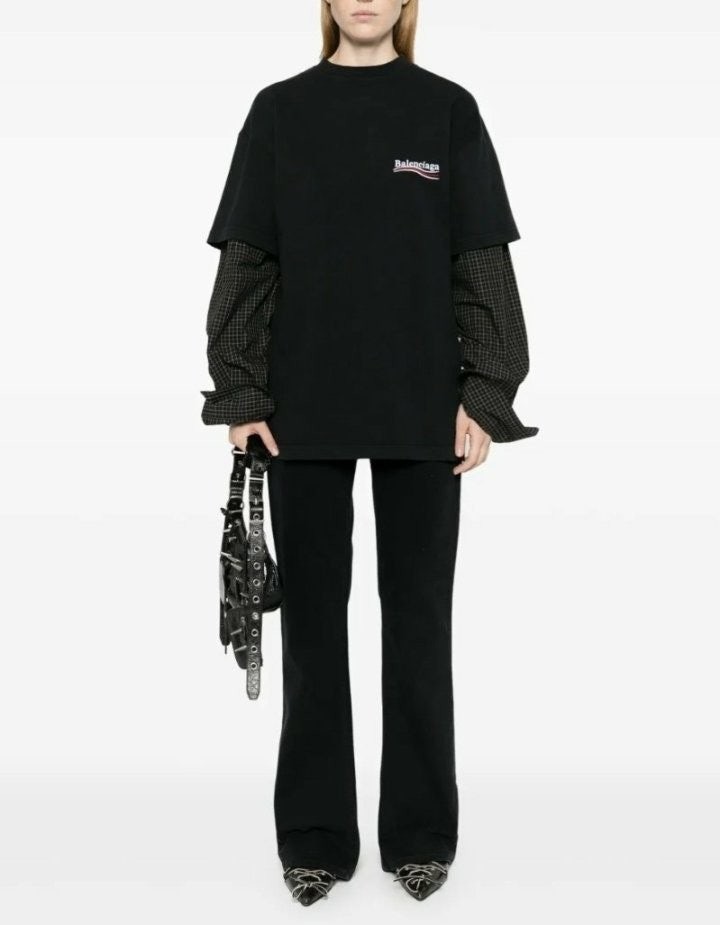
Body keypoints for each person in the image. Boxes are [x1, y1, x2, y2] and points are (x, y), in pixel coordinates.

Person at [200, 0, 538, 905]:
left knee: (419, 626)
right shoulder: (279, 111)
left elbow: (480, 258)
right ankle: (314, 835)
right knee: (311, 630)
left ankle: (421, 833)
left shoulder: (447, 110)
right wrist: (241, 393)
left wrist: (485, 392)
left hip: (424, 411)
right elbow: (248, 257)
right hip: (301, 410)